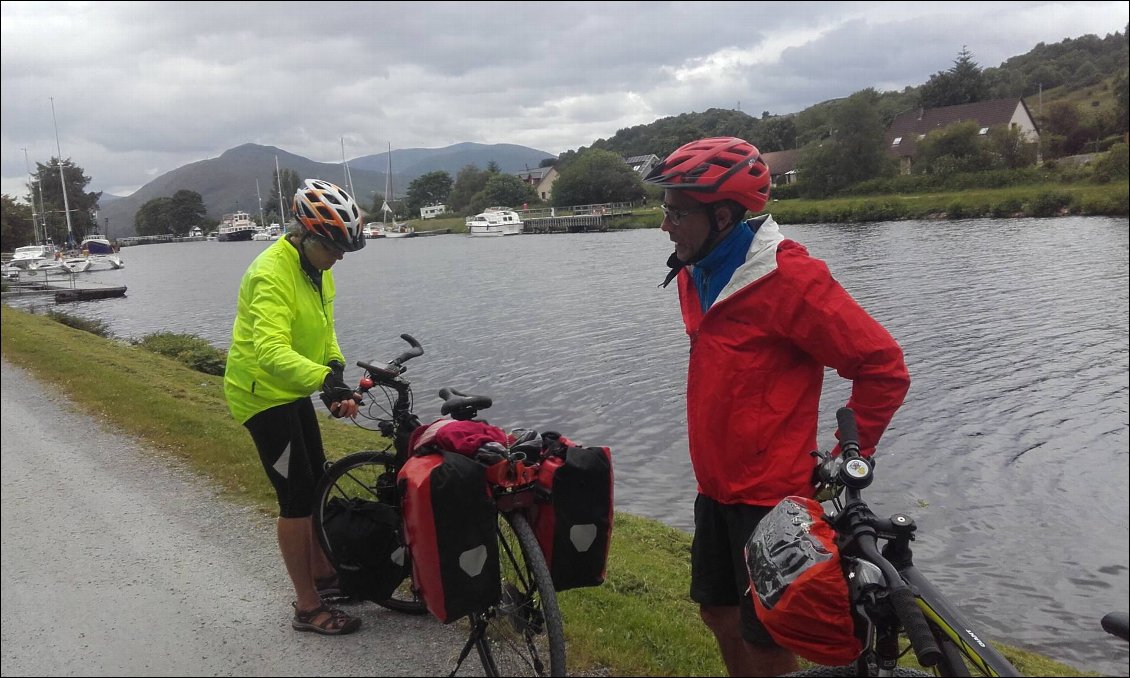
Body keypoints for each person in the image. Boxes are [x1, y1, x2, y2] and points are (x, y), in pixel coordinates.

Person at [644, 137, 910, 676]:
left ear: (722, 214)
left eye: (675, 212)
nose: (665, 225)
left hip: (768, 495)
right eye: (664, 209)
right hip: (714, 485)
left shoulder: (791, 280)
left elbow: (882, 367)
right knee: (716, 611)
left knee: (766, 636)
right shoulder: (695, 269)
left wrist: (845, 456)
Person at [223, 178, 367, 636]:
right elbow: (269, 351)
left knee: (317, 476)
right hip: (260, 394)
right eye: (333, 247)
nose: (339, 257)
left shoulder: (317, 269)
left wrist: (336, 371)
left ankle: (324, 575)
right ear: (304, 235)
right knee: (296, 498)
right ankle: (307, 606)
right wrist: (323, 381)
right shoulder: (270, 274)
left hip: (292, 388)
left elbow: (325, 331)